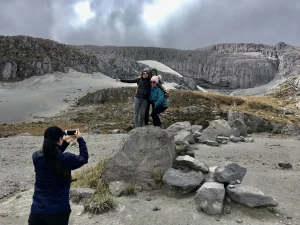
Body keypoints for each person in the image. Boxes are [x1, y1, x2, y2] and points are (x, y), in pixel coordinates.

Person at [28, 126, 88, 225]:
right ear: (60, 139)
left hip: (37, 211)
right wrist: (80, 139)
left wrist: (64, 142)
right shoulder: (66, 159)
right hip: (58, 212)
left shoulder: (36, 157)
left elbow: (51, 155)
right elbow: (84, 158)